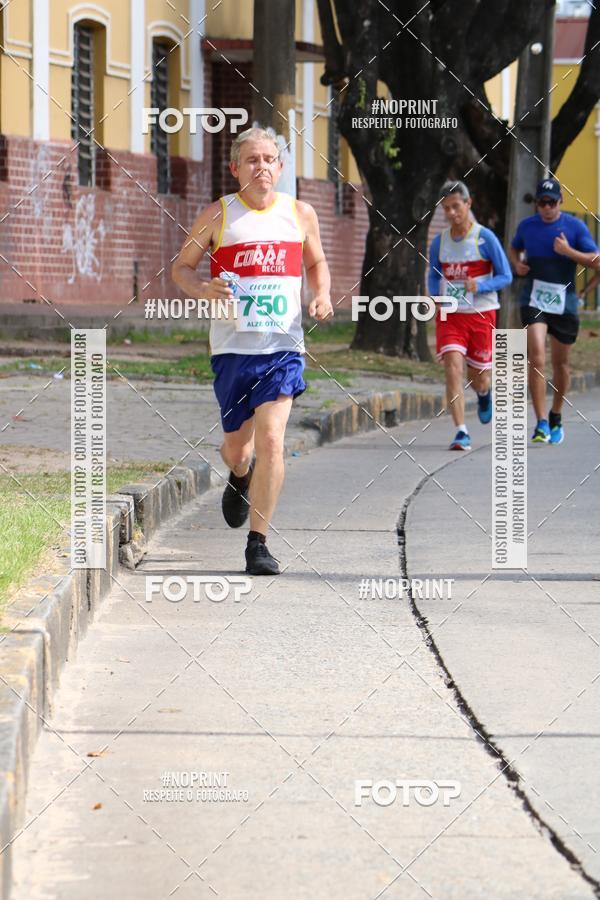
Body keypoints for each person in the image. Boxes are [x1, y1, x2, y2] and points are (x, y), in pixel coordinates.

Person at [172, 127, 332, 575]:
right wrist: (202, 287)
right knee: (238, 451)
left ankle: (257, 543)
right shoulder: (219, 215)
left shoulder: (299, 213)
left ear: (281, 168)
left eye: (269, 159)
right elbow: (180, 268)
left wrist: (321, 294)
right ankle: (240, 477)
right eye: (252, 160)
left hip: (282, 348)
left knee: (272, 440)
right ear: (235, 168)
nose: (261, 166)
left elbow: (317, 262)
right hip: (232, 350)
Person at [509, 177, 600, 445]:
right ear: (536, 204)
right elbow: (514, 247)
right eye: (541, 203)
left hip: (564, 302)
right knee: (536, 357)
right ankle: (540, 423)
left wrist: (568, 251)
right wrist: (517, 264)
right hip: (534, 298)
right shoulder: (527, 227)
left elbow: (596, 261)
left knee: (561, 365)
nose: (546, 207)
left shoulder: (574, 227)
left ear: (561, 202)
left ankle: (556, 413)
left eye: (552, 202)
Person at [428, 180, 512, 451]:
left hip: (481, 313)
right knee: (452, 368)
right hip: (451, 314)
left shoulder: (485, 238)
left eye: (456, 206)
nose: (452, 213)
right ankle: (461, 431)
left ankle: (484, 393)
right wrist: (435, 297)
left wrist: (481, 285)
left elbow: (506, 276)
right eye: (446, 209)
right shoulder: (439, 242)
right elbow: (433, 274)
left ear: (468, 204)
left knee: (478, 377)